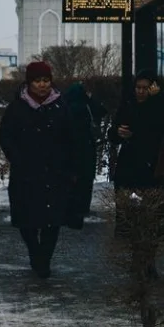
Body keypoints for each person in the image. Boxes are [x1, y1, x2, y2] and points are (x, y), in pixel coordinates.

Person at [0, 61, 76, 278]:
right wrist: (17, 158)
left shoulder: (61, 106)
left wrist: (70, 167)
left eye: (46, 80)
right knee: (27, 220)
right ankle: (35, 252)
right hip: (26, 173)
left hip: (55, 173)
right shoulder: (17, 107)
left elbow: (71, 139)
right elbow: (6, 136)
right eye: (37, 81)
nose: (42, 85)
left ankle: (44, 260)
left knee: (53, 221)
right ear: (29, 83)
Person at [108, 71, 164, 256]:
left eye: (145, 88)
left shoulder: (159, 106)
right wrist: (119, 132)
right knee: (132, 216)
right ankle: (137, 257)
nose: (140, 92)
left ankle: (148, 258)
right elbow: (113, 133)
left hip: (153, 167)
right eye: (138, 88)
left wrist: (160, 98)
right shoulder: (128, 106)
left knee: (152, 217)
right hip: (130, 167)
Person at [62, 82, 106, 229]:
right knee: (84, 183)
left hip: (70, 150)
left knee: (71, 183)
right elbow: (101, 111)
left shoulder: (66, 107)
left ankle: (69, 213)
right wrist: (90, 99)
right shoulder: (85, 107)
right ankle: (79, 213)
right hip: (86, 150)